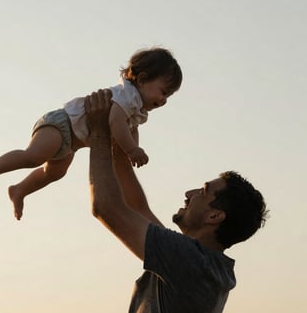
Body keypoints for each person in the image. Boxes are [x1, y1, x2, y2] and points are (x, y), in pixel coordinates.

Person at [85, 89, 268, 313]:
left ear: (214, 216)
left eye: (203, 191)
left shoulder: (190, 262)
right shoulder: (203, 264)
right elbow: (137, 208)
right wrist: (123, 149)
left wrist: (99, 133)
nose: (189, 193)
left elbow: (107, 208)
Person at [0, 47, 182, 220]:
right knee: (34, 156)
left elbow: (129, 129)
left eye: (169, 96)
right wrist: (132, 149)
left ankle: (19, 190)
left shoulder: (138, 109)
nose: (164, 100)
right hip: (61, 124)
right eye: (164, 92)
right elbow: (116, 121)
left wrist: (129, 152)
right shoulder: (128, 95)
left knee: (54, 172)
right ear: (143, 79)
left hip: (71, 143)